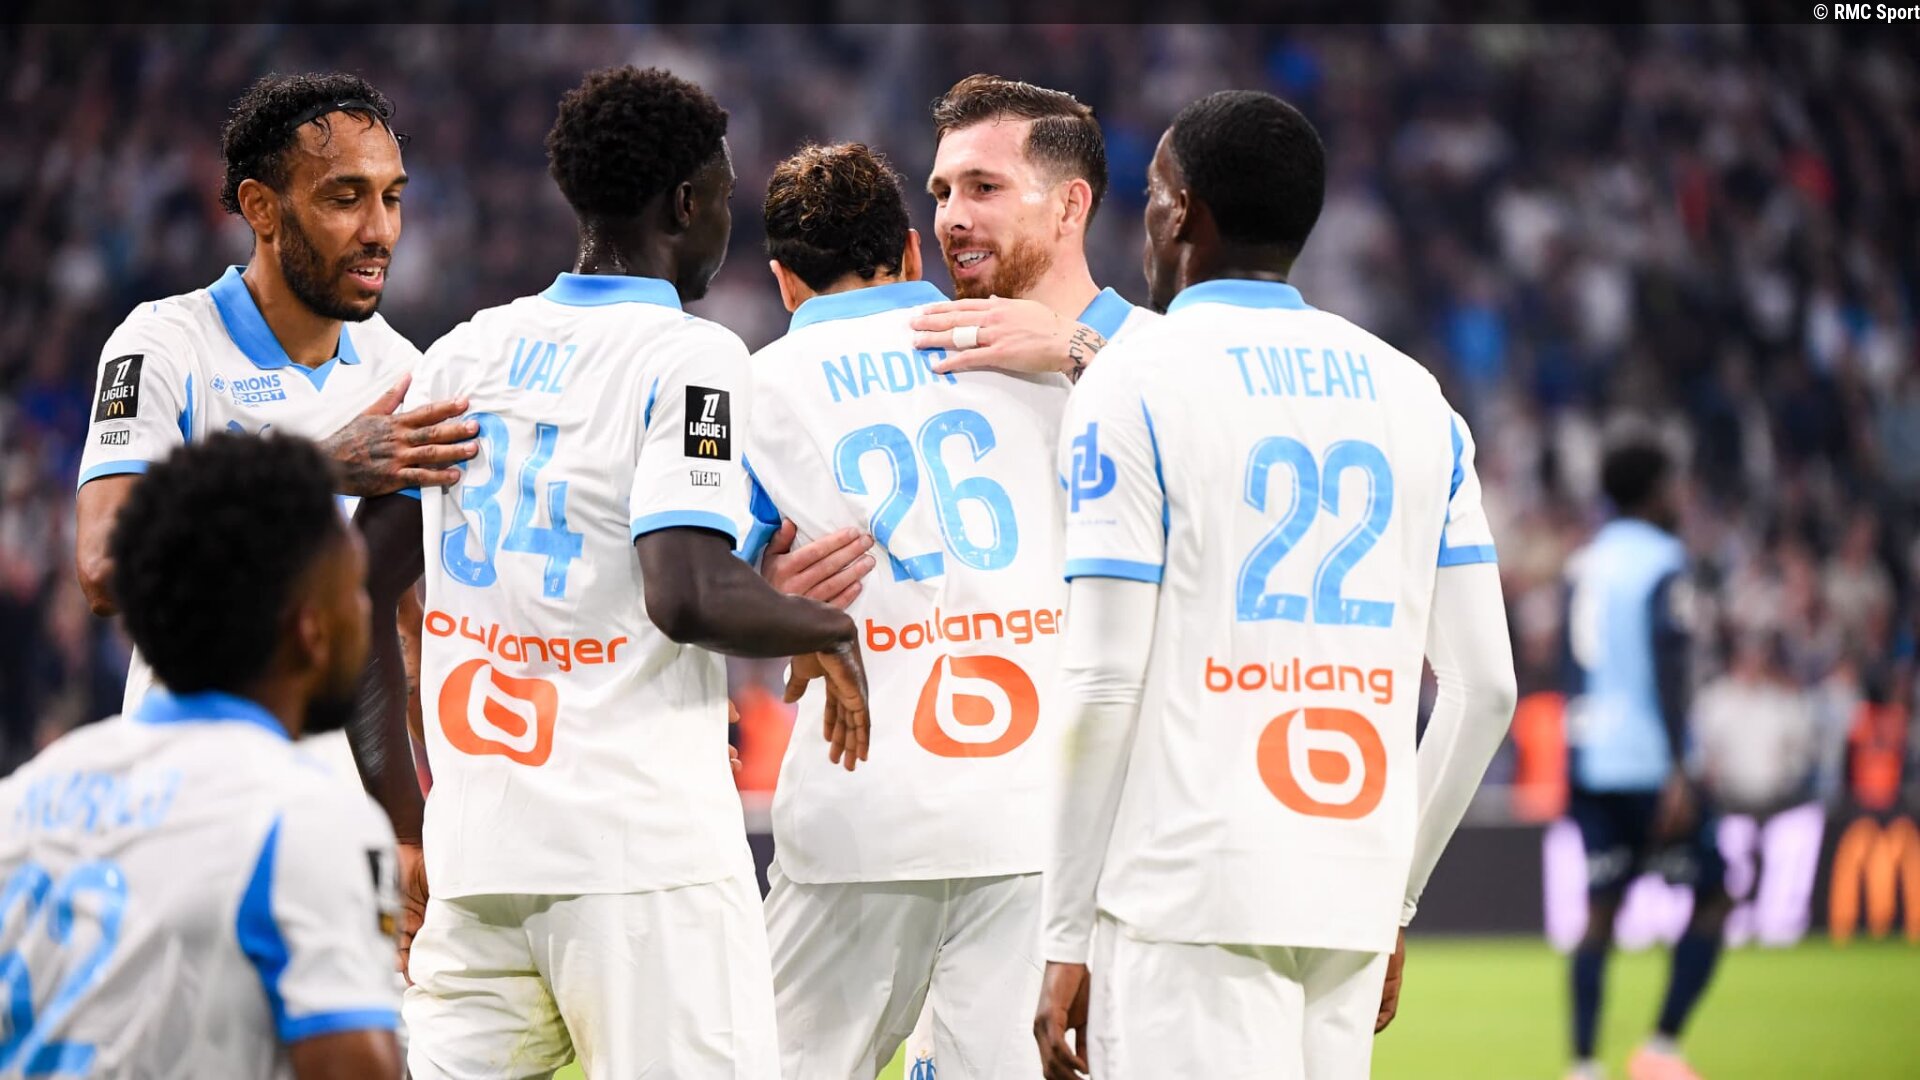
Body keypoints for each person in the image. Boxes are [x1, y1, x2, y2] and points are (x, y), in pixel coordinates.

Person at [351, 66, 869, 1079]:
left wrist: (405, 820)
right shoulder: (693, 359)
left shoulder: (465, 354)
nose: (728, 222)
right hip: (643, 870)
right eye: (722, 196)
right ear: (684, 203)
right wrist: (827, 628)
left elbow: (355, 584)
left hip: (479, 858)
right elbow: (685, 592)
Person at [1035, 90, 1517, 1080]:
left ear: (1183, 209)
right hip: (1349, 892)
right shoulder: (1415, 394)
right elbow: (1488, 691)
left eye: (1155, 194)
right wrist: (1395, 896)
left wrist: (1064, 928)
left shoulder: (1133, 379)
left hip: (1186, 895)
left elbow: (1104, 681)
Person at [69, 74, 477, 946]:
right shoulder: (163, 345)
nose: (380, 231)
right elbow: (104, 568)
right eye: (345, 198)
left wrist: (413, 829)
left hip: (342, 834)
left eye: (392, 198)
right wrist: (314, 468)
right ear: (260, 207)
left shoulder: (404, 368)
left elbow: (408, 633)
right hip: (192, 814)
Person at [744, 141, 1070, 1079]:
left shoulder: (756, 385)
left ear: (784, 281)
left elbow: (690, 577)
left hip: (862, 805)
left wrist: (775, 599)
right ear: (913, 253)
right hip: (1031, 810)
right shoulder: (1032, 355)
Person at [0, 432, 402, 1078]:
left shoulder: (20, 804)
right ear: (311, 629)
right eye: (357, 589)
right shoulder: (307, 819)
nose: (366, 610)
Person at [761, 75, 1154, 610]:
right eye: (943, 194)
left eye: (984, 188)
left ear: (1069, 206)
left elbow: (1217, 515)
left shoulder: (1160, 350)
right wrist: (768, 599)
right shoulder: (916, 359)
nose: (953, 219)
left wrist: (1082, 350)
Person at [1561, 441, 1728, 1080]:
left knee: (1599, 913)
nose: (1680, 496)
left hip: (1588, 759)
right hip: (1648, 763)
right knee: (1713, 897)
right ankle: (1660, 1047)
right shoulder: (1663, 561)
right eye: (1673, 484)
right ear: (1654, 491)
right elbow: (1671, 663)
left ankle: (1583, 1065)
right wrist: (1681, 765)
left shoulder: (1583, 563)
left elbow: (1570, 666)